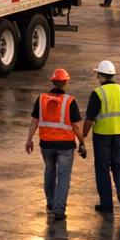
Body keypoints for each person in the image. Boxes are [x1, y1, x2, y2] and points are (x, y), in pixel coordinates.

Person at [25, 67, 86, 221]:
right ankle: (59, 209)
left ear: (53, 81)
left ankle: (51, 203)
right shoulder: (69, 101)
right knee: (63, 175)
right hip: (65, 146)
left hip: (46, 144)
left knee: (49, 171)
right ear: (65, 82)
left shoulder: (42, 99)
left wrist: (29, 139)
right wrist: (82, 143)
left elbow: (34, 122)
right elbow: (76, 126)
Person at [82, 59, 120, 213]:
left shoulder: (97, 93)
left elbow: (90, 118)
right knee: (119, 166)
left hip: (102, 136)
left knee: (102, 168)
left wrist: (83, 135)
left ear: (101, 76)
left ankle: (106, 204)